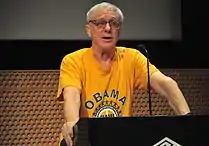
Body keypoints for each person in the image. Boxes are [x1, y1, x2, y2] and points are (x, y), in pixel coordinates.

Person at [56, 2, 191, 146]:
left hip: (119, 138)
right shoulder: (73, 61)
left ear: (119, 30)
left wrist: (190, 123)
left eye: (114, 23)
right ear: (89, 30)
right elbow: (72, 96)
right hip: (85, 140)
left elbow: (167, 85)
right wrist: (72, 123)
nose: (108, 28)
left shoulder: (132, 58)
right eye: (100, 23)